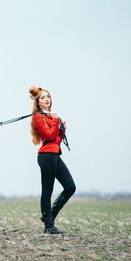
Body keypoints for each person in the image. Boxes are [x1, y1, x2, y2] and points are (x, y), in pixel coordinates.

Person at [29, 86, 76, 234]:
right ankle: (49, 225)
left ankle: (49, 217)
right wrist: (56, 121)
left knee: (70, 187)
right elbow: (48, 136)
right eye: (42, 98)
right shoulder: (38, 117)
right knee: (47, 191)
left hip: (55, 155)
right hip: (46, 157)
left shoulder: (50, 116)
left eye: (47, 96)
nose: (46, 99)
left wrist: (63, 130)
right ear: (38, 103)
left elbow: (56, 139)